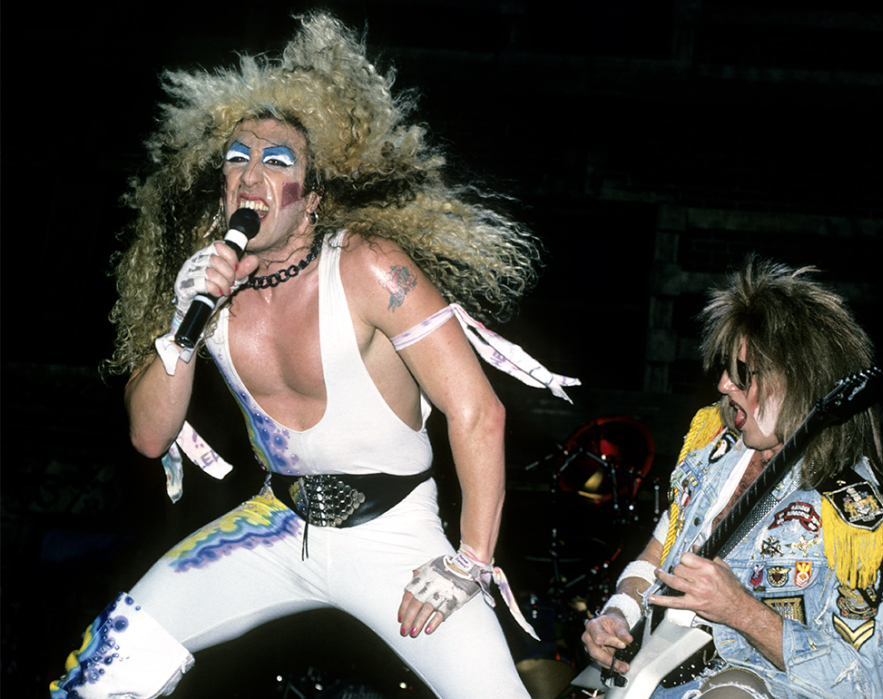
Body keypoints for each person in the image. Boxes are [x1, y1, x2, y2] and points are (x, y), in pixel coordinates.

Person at [52, 12, 579, 699]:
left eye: (278, 162)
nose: (250, 174)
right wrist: (181, 328)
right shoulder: (204, 284)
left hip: (396, 539)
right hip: (273, 525)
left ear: (311, 202)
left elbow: (477, 410)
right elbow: (149, 437)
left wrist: (470, 562)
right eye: (237, 157)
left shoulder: (367, 267)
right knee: (101, 670)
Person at [582, 257, 883, 698]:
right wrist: (620, 613)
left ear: (797, 382)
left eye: (741, 373)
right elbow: (662, 550)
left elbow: (864, 681)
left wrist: (740, 611)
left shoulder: (853, 518)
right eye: (725, 368)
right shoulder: (712, 448)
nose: (722, 385)